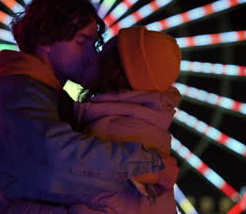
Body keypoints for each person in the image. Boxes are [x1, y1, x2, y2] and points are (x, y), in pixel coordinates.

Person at [0, 0, 177, 214]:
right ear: (46, 40)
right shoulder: (16, 92)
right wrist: (149, 165)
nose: (92, 54)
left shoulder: (44, 94)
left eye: (94, 43)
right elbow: (56, 158)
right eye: (81, 41)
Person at [66, 26, 182, 213]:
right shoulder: (145, 129)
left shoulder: (110, 132)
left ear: (113, 68)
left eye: (103, 51)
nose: (94, 55)